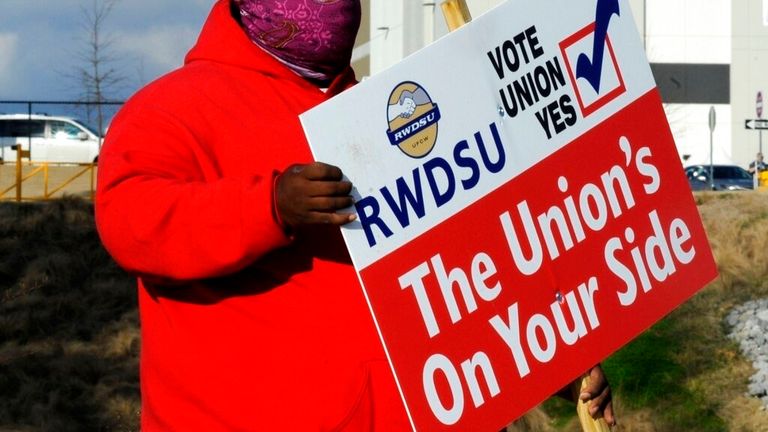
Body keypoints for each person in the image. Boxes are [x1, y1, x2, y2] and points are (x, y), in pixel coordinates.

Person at [95, 0, 615, 430]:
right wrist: (268, 206)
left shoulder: (382, 111)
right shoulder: (171, 109)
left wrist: (547, 351)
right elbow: (131, 221)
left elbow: (455, 278)